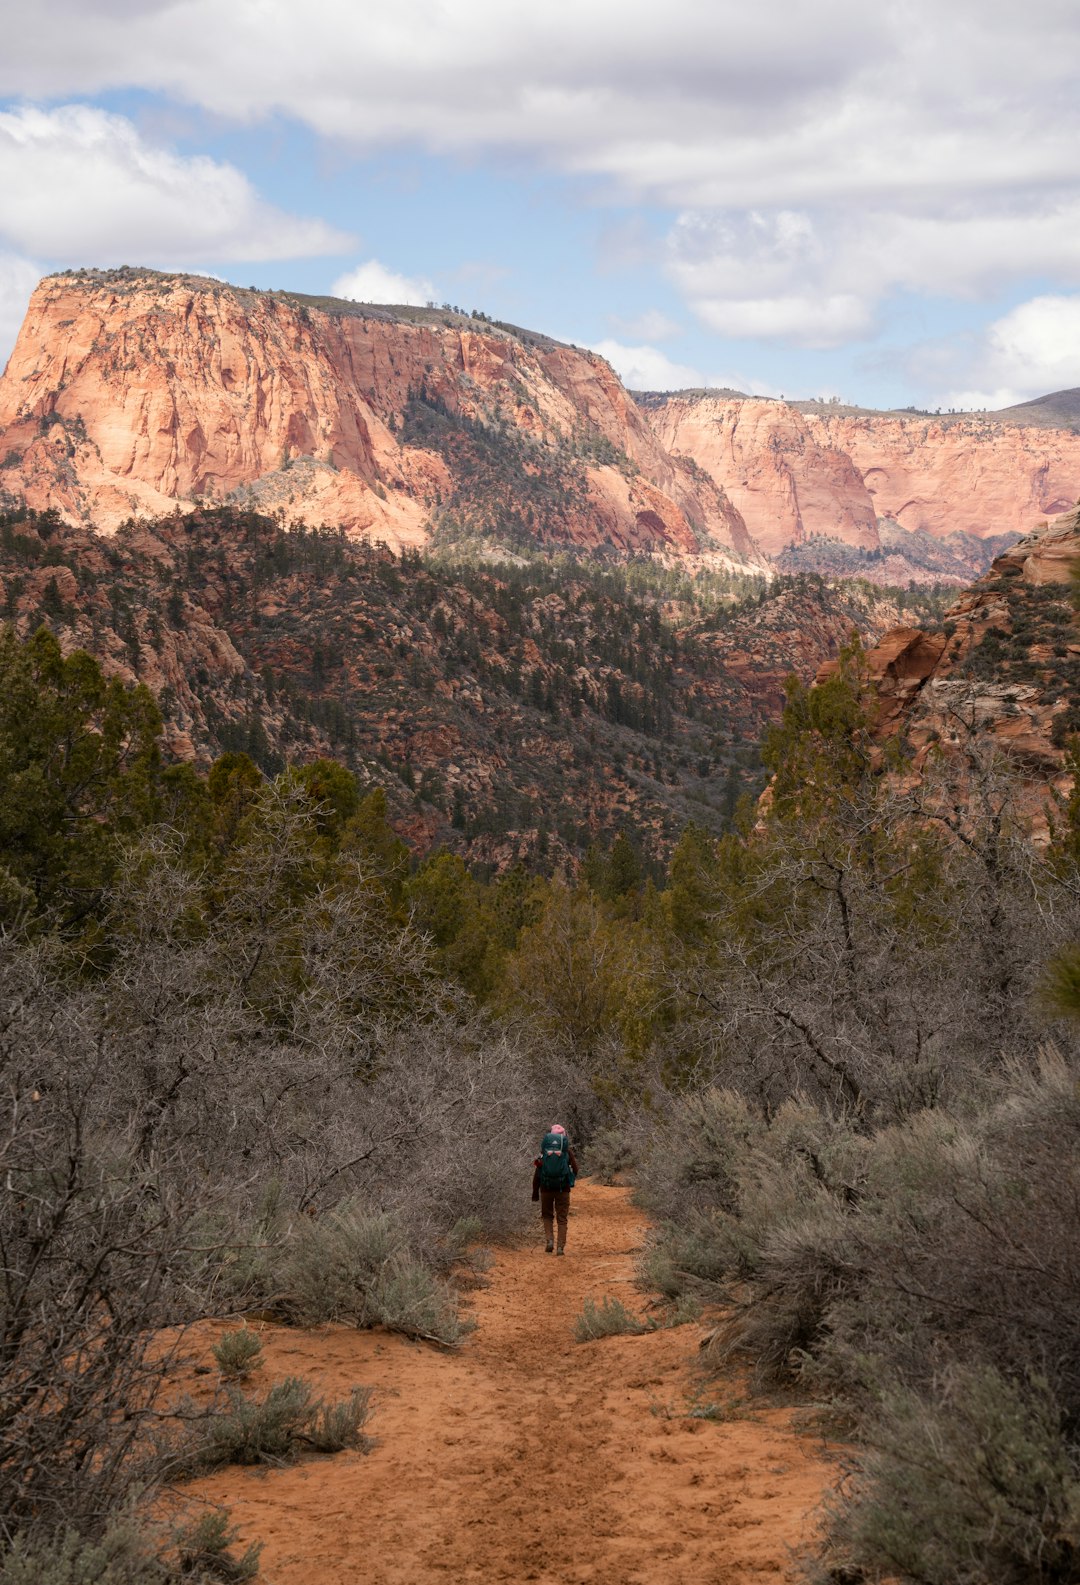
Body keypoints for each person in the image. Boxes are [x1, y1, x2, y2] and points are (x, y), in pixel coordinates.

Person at [531, 1123, 579, 1255]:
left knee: (547, 1216)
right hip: (563, 1190)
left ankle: (549, 1241)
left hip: (545, 1189)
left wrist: (535, 1192)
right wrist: (570, 1180)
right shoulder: (567, 1152)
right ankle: (560, 1247)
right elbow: (576, 1169)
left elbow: (537, 1174)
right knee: (562, 1218)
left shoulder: (544, 1153)